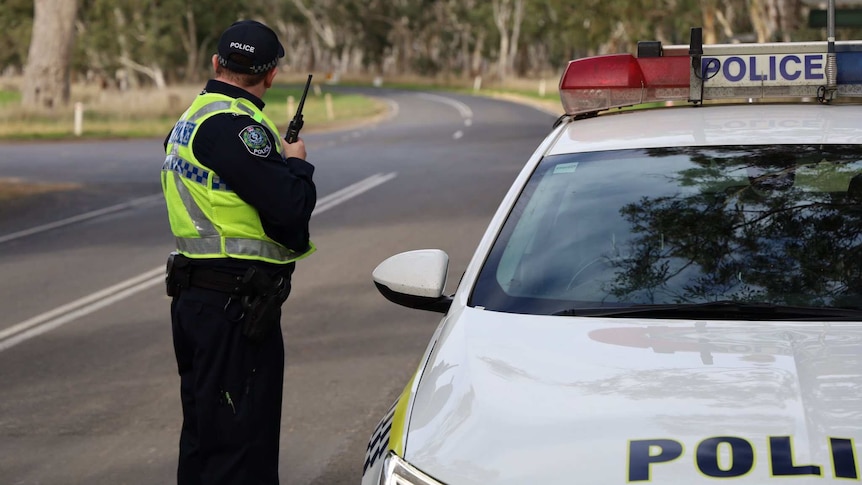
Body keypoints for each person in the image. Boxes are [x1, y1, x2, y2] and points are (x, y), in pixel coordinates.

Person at [160, 19, 316, 485]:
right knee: (241, 445)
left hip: (198, 301)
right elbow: (290, 212)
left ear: (215, 64)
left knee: (206, 437)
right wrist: (298, 165)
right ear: (270, 76)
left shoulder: (190, 120)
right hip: (235, 309)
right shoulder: (238, 129)